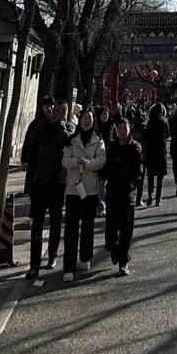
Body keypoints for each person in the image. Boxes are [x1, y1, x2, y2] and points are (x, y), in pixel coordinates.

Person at [26, 98, 69, 285]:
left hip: (57, 182)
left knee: (55, 220)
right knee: (37, 223)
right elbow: (32, 144)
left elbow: (66, 140)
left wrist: (58, 124)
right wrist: (47, 121)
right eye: (53, 110)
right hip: (39, 180)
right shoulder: (41, 126)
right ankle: (34, 265)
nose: (54, 112)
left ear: (64, 113)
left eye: (59, 111)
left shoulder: (67, 128)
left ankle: (52, 254)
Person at [62, 108, 107, 279]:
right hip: (73, 189)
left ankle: (85, 258)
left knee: (88, 226)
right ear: (79, 121)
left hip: (90, 189)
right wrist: (76, 162)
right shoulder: (72, 140)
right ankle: (68, 267)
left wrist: (88, 164)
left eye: (89, 118)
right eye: (84, 118)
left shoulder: (98, 140)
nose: (87, 121)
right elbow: (64, 160)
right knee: (71, 229)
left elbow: (102, 160)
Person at [103, 115, 143, 276]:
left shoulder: (135, 147)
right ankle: (115, 249)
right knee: (112, 229)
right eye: (119, 128)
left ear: (129, 129)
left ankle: (123, 262)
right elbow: (106, 168)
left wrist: (132, 185)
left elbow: (139, 172)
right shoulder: (112, 147)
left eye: (124, 128)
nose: (121, 132)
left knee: (126, 230)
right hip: (112, 192)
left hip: (127, 194)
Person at [142, 101, 168, 206]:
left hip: (151, 150)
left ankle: (150, 196)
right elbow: (168, 134)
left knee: (151, 176)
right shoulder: (164, 121)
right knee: (160, 177)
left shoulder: (149, 121)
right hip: (161, 150)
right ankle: (158, 198)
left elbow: (145, 135)